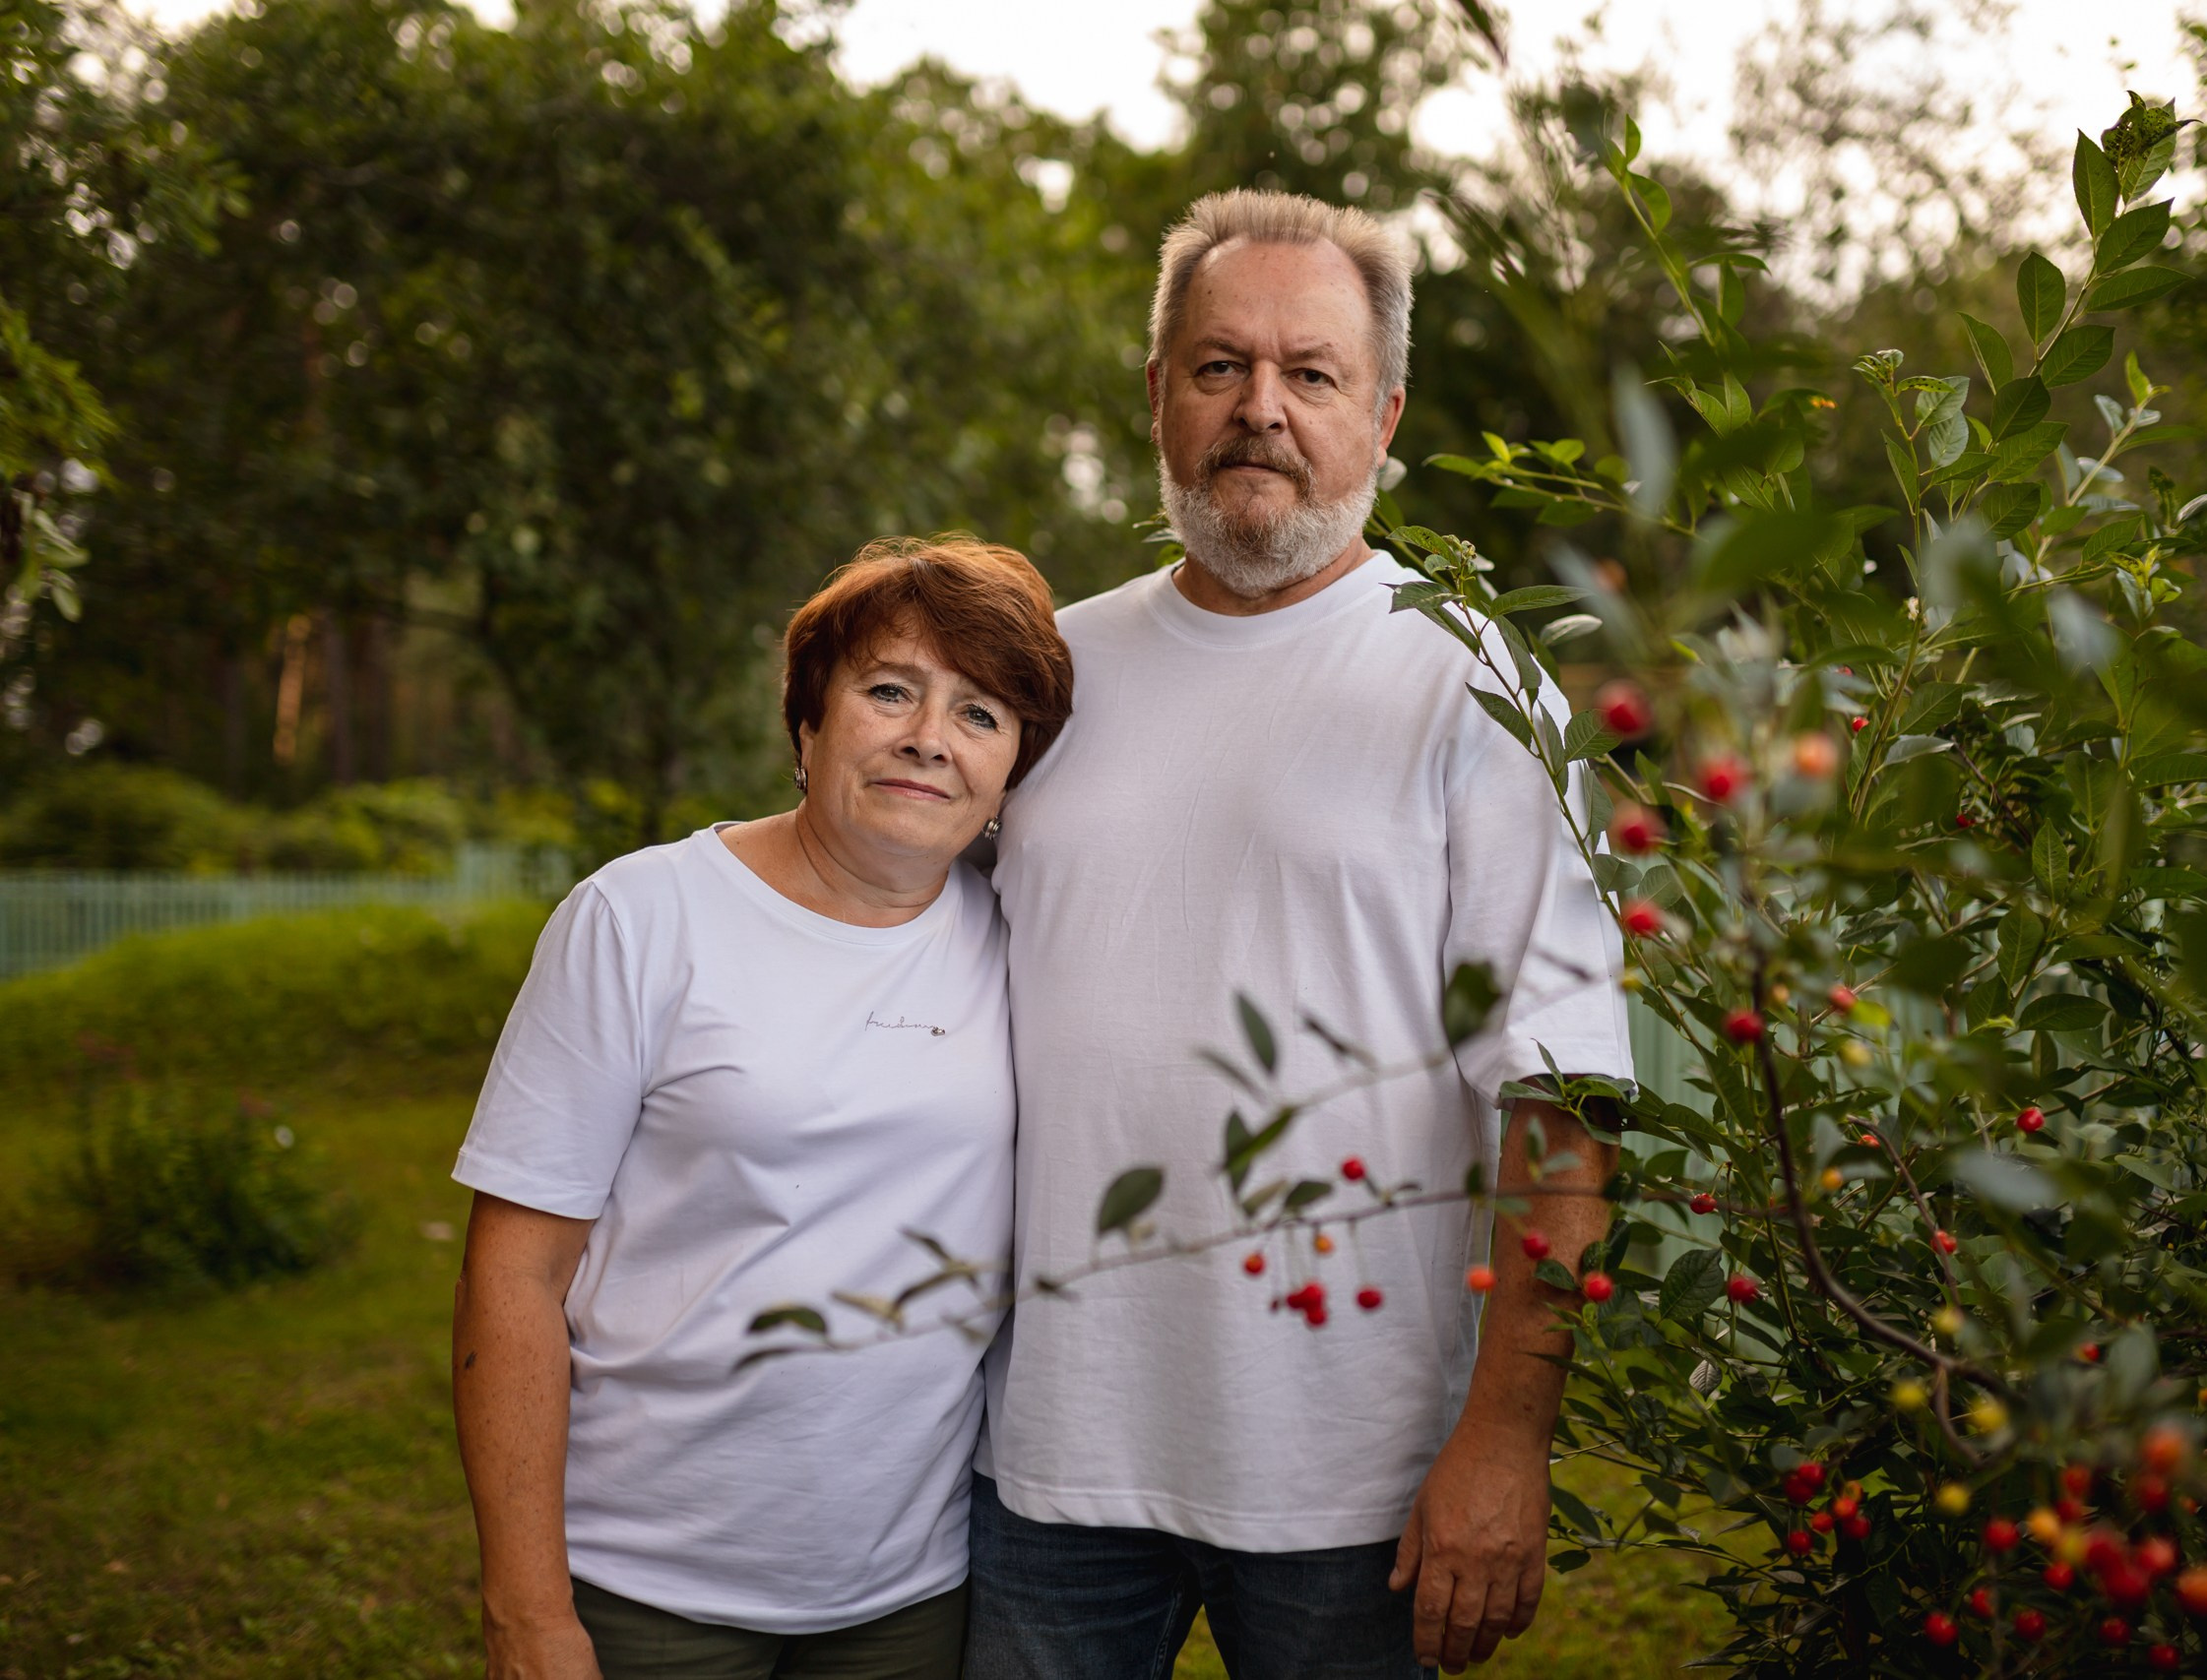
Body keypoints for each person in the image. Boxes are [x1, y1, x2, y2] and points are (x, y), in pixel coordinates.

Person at [967, 191, 1633, 1680]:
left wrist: (1507, 1439)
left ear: (1383, 412)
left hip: (1359, 1478)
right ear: (1156, 395)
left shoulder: (1478, 687)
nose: (1259, 408)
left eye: (1311, 373)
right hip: (1046, 1457)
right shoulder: (1041, 673)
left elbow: (1562, 1090)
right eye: (1216, 365)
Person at [449, 537, 1072, 1680]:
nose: (930, 738)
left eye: (981, 714)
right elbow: (512, 1273)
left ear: (1011, 770)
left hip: (907, 1598)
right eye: (890, 690)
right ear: (808, 720)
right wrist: (528, 1609)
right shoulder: (640, 918)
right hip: (645, 1588)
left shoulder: (1020, 939)